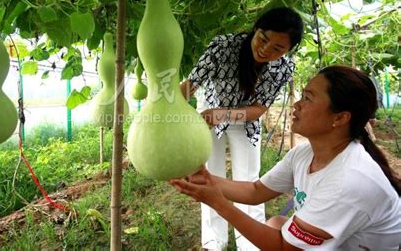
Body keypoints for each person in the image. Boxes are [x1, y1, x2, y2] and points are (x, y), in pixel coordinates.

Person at [172, 65, 401, 250]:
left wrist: (218, 202)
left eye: (308, 98)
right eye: (302, 95)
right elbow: (256, 191)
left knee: (277, 231)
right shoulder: (304, 153)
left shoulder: (348, 181)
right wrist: (206, 178)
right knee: (276, 224)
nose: (297, 104)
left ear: (340, 118)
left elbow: (283, 247)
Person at [180, 7, 304, 250]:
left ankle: (249, 244)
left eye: (277, 49)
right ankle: (213, 243)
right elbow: (192, 84)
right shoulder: (223, 46)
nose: (265, 49)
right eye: (263, 38)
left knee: (248, 178)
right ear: (255, 29)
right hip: (209, 110)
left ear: (288, 51)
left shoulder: (283, 68)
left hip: (244, 118)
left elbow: (259, 108)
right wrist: (167, 112)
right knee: (208, 175)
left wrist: (225, 114)